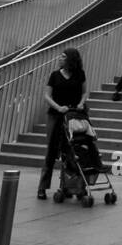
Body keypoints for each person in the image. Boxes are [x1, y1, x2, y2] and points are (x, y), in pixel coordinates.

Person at [38, 47, 87, 199]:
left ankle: (70, 187)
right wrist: (58, 107)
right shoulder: (54, 75)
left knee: (71, 151)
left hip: (73, 115)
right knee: (51, 151)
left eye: (63, 56)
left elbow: (85, 92)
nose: (60, 58)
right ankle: (42, 188)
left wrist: (81, 103)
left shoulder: (79, 74)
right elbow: (47, 95)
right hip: (55, 116)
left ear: (71, 59)